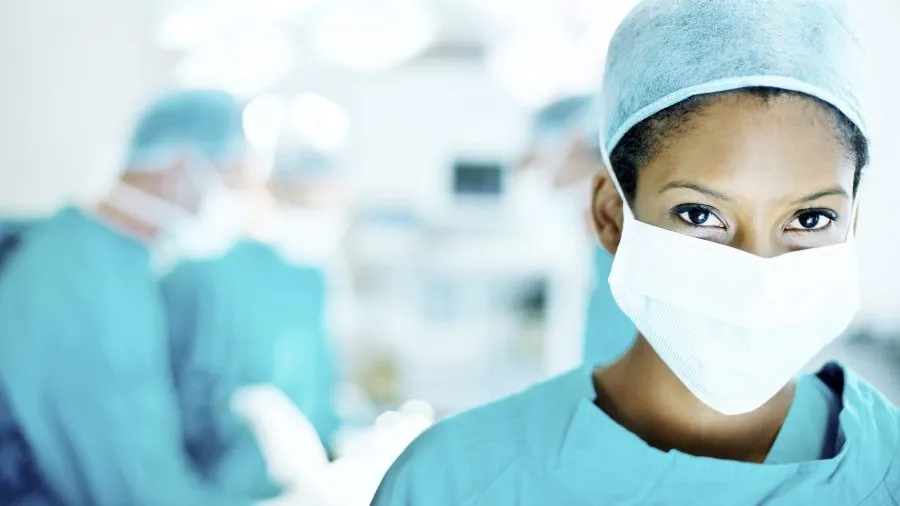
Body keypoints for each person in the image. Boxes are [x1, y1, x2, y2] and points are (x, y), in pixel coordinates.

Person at [371, 1, 900, 504]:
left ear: (853, 224)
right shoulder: (451, 483)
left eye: (810, 219)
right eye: (700, 215)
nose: (759, 272)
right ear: (610, 216)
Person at [0, 89, 262, 506]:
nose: (239, 204)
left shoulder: (101, 254)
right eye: (231, 181)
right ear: (180, 169)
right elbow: (136, 492)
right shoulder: (85, 286)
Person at [160, 149, 343, 501]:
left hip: (298, 486)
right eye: (305, 199)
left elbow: (320, 392)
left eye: (327, 201)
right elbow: (175, 402)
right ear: (270, 190)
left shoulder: (311, 282)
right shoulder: (202, 278)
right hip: (216, 485)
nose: (317, 215)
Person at [520, 96, 636, 364]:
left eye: (541, 153)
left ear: (575, 141)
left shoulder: (623, 234)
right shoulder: (591, 238)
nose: (536, 166)